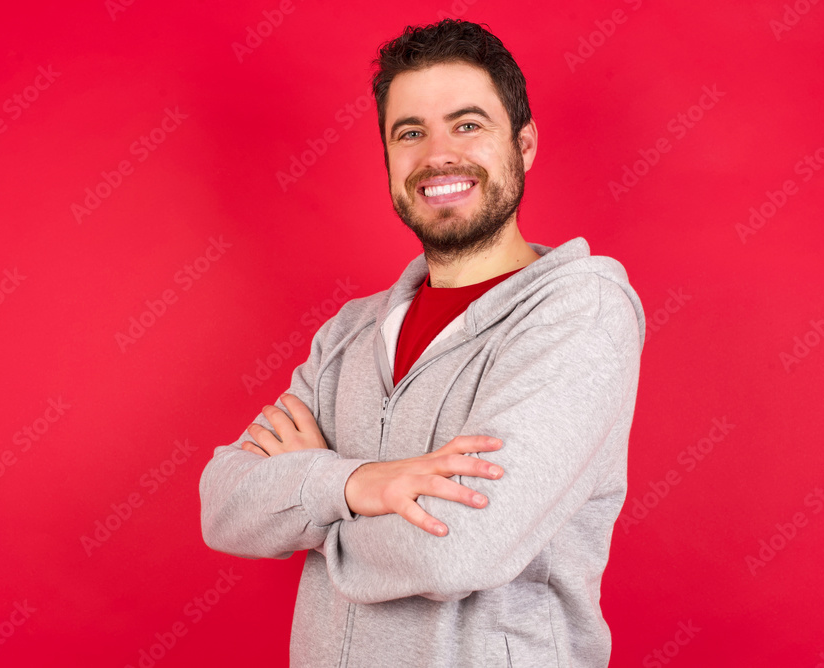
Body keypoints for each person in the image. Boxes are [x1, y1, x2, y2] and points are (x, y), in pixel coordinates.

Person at [199, 18, 645, 667]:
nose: (438, 155)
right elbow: (223, 507)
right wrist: (359, 484)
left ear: (523, 145)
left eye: (467, 124)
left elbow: (458, 548)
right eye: (410, 133)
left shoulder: (579, 313)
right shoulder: (349, 333)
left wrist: (309, 507)